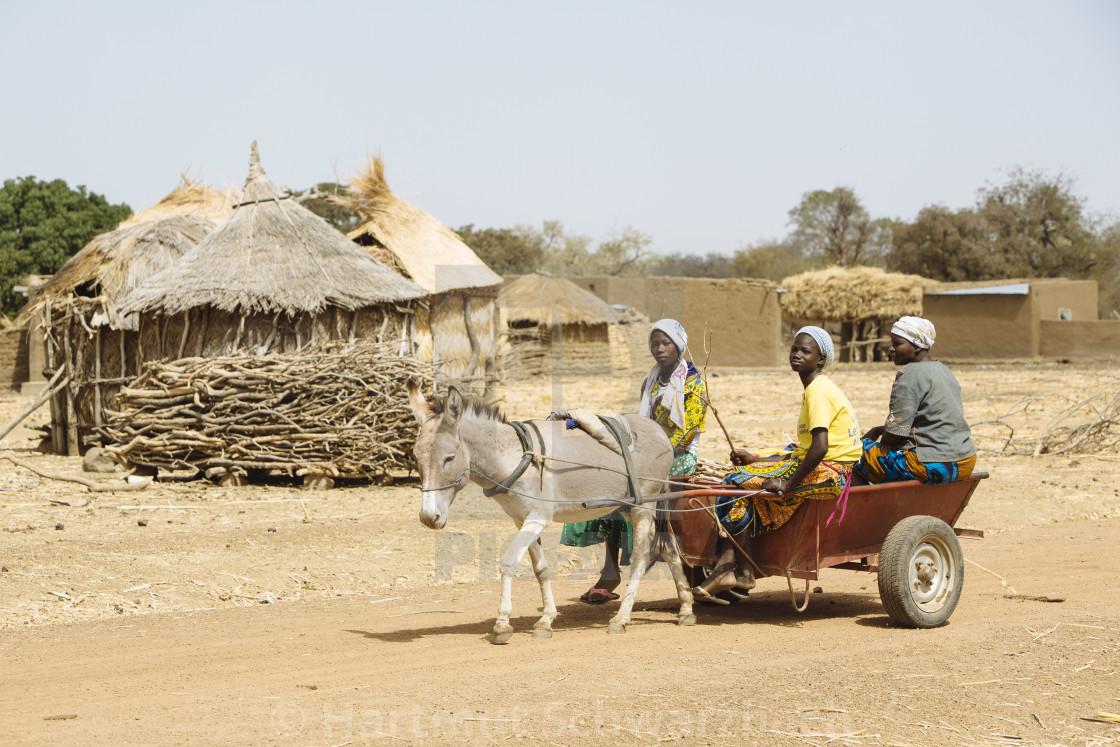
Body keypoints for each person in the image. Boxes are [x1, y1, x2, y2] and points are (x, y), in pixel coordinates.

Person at [693, 326, 860, 601]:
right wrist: (755, 460)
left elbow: (820, 449)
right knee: (742, 478)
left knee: (735, 483)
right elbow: (801, 451)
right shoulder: (814, 389)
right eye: (794, 349)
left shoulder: (817, 391)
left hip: (830, 471)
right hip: (823, 465)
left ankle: (737, 568)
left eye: (805, 351)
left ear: (820, 360)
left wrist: (786, 484)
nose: (796, 354)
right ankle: (738, 570)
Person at [560, 318, 707, 604]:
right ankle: (611, 570)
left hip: (678, 456)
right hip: (648, 452)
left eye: (666, 343)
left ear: (679, 346)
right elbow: (643, 423)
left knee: (631, 490)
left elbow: (688, 431)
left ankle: (624, 566)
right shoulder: (650, 381)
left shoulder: (693, 383)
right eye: (654, 344)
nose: (659, 349)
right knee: (607, 481)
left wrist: (653, 455)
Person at [851, 317, 976, 486]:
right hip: (965, 460)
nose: (891, 349)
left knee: (850, 453)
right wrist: (879, 429)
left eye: (897, 343)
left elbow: (896, 432)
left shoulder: (909, 375)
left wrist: (878, 447)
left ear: (917, 346)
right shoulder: (944, 371)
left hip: (929, 463)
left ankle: (866, 507)